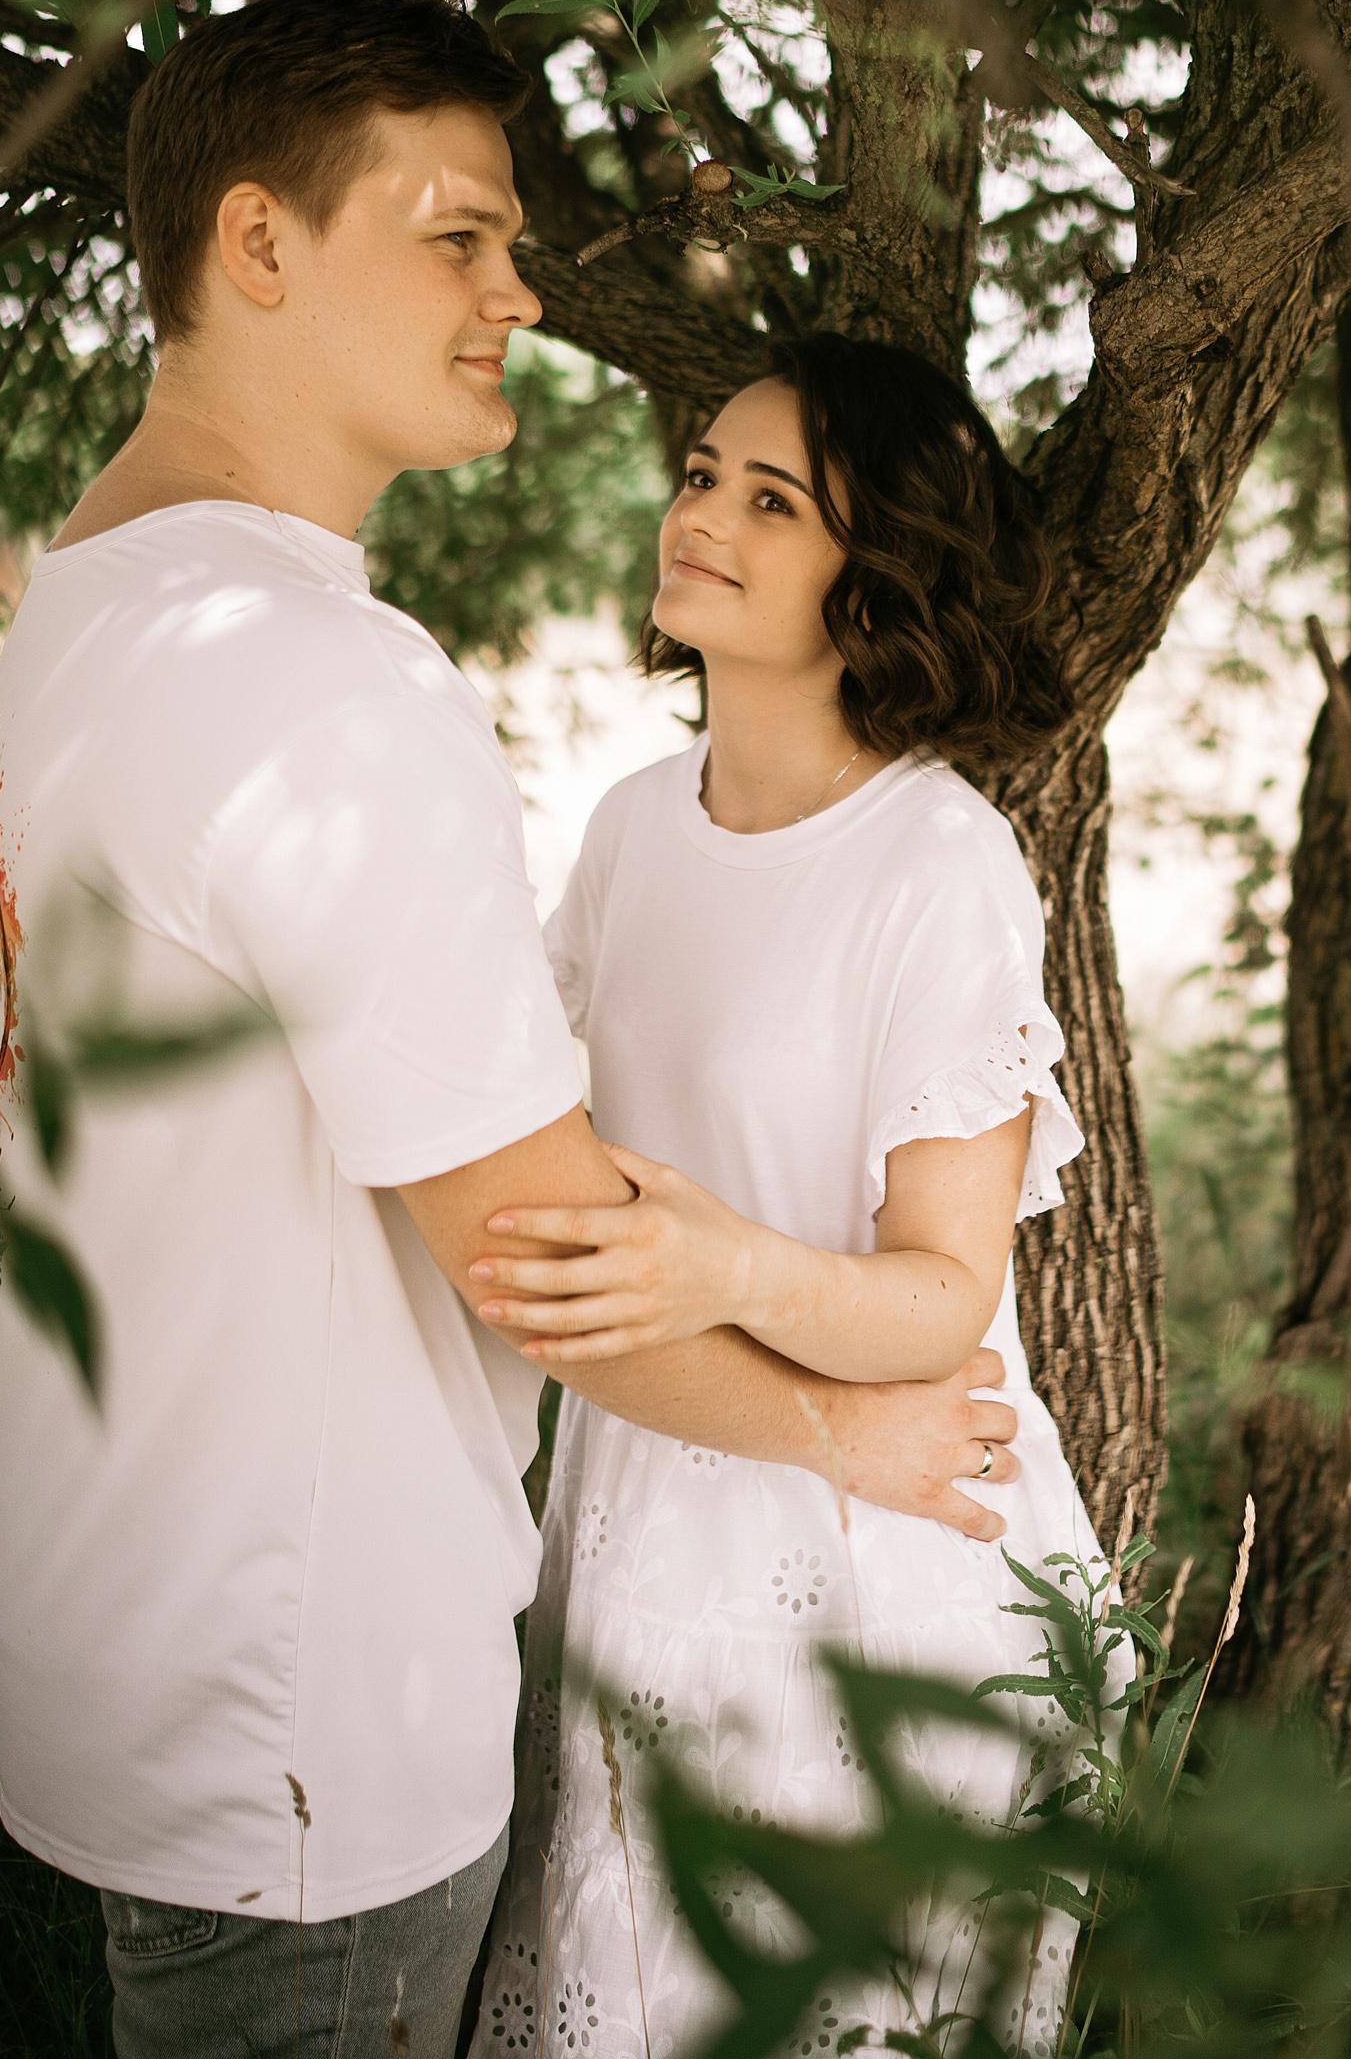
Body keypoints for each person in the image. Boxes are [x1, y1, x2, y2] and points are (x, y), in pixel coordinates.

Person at [0, 0, 1023, 2059]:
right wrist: (840, 1433)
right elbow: (545, 1254)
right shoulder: (321, 682)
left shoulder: (88, 606)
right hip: (303, 1718)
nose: (517, 296)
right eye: (458, 236)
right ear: (259, 246)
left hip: (138, 1635)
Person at [473, 334, 1113, 2059]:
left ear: (875, 573)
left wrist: (720, 1263)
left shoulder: (939, 858)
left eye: (773, 498)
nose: (705, 515)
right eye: (699, 474)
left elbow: (941, 1295)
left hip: (862, 1540)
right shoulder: (627, 833)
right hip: (645, 1490)